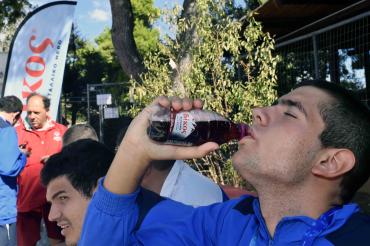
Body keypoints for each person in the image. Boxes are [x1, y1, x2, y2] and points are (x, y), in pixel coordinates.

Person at [80, 80, 370, 245]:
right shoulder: (228, 222)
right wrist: (134, 151)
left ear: (330, 162)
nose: (258, 112)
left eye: (291, 114)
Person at [41, 139, 194, 246]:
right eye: (51, 203)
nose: (52, 216)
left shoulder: (161, 233)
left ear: (101, 189)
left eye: (62, 198)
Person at [116, 128, 227, 207]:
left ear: (144, 169)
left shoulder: (180, 212)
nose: (118, 169)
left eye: (123, 162)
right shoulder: (187, 185)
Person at [16, 93, 67, 246]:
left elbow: (73, 162)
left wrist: (55, 160)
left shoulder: (62, 131)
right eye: (29, 112)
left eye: (36, 112)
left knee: (57, 241)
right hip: (27, 200)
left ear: (47, 111)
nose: (31, 116)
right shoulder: (17, 133)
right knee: (25, 242)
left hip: (55, 200)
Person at [0, 96, 27, 246]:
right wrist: (22, 157)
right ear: (16, 114)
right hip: (3, 207)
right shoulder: (6, 129)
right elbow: (10, 168)